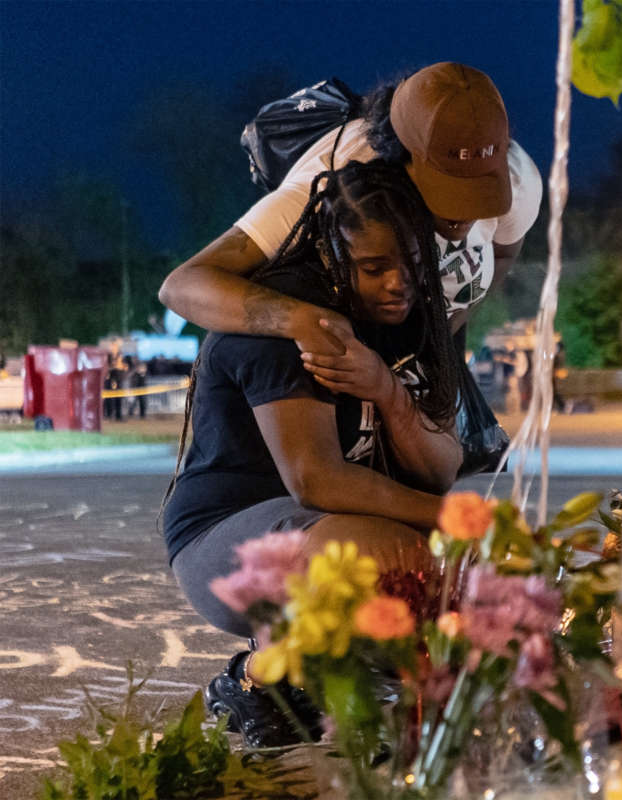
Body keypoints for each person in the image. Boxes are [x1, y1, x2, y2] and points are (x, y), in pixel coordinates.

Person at [163, 160, 463, 748]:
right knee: (403, 559)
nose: (399, 283)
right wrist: (455, 524)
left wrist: (385, 388)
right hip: (220, 536)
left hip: (321, 523)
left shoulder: (410, 322)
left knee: (452, 568)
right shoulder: (292, 317)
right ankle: (254, 677)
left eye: (412, 265)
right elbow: (316, 482)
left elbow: (441, 470)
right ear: (332, 252)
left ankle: (318, 671)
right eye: (375, 268)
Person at [157, 62, 542, 360]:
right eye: (449, 190)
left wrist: (446, 329)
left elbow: (505, 249)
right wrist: (302, 321)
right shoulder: (337, 183)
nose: (465, 215)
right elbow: (185, 285)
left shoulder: (519, 177)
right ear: (400, 157)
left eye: (481, 191)